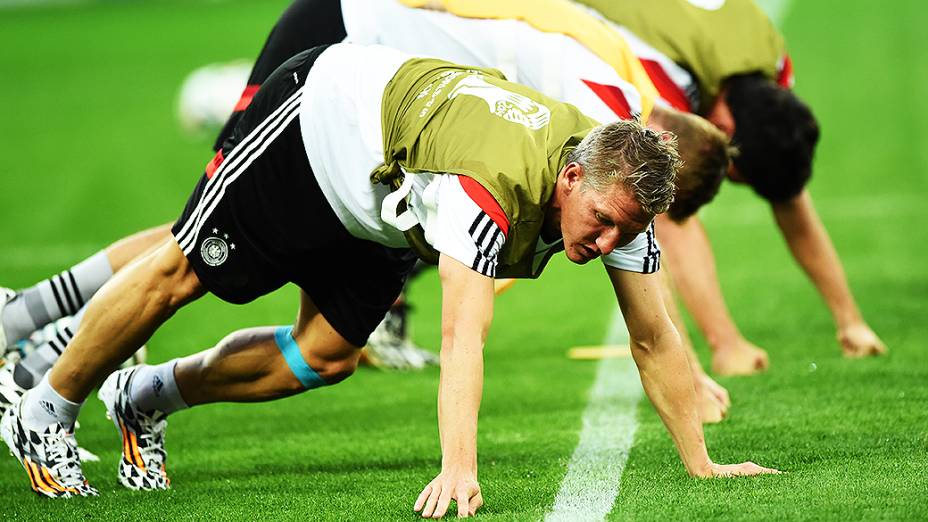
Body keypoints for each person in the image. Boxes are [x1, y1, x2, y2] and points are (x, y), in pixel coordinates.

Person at [1, 43, 777, 510]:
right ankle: (46, 407)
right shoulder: (493, 190)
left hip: (386, 200)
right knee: (182, 270)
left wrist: (699, 463)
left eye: (622, 233)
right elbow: (464, 334)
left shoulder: (620, 201)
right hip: (318, 128)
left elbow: (653, 335)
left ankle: (144, 397)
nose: (605, 241)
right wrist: (459, 470)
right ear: (569, 178)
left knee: (326, 355)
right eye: (600, 222)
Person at [573, 0, 888, 375]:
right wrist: (726, 344)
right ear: (721, 127)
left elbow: (787, 191)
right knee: (654, 191)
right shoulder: (661, 83)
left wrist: (850, 320)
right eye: (733, 173)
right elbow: (675, 217)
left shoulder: (773, 69)